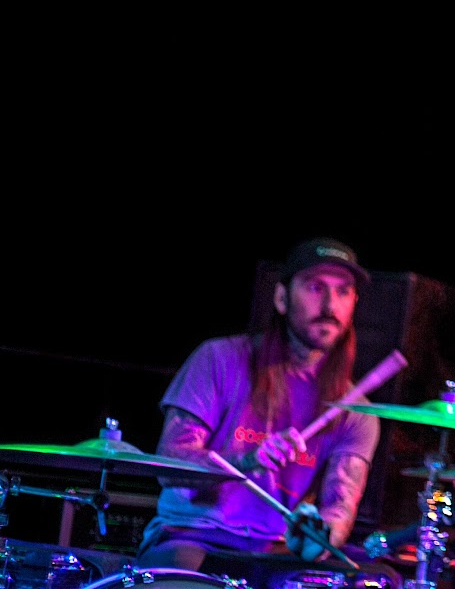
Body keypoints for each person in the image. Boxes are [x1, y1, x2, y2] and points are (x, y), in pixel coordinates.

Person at [136, 237, 389, 581]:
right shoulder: (218, 360)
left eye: (343, 291)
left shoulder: (357, 412)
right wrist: (247, 460)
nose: (330, 304)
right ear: (282, 298)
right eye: (315, 287)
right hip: (193, 534)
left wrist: (319, 537)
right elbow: (169, 464)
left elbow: (339, 508)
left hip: (278, 551)